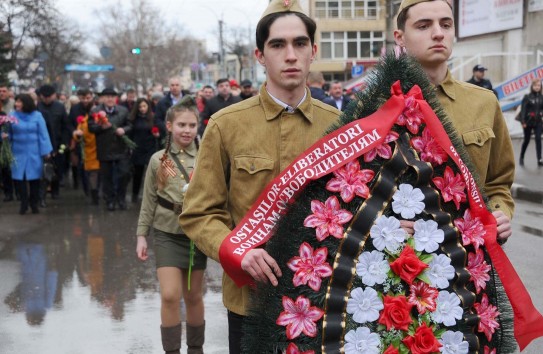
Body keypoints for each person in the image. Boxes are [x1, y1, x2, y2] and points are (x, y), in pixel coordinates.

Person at [178, 1, 341, 352]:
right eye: (278, 45)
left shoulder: (339, 127)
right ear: (259, 55)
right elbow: (198, 213)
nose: (291, 55)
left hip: (324, 298)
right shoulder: (227, 125)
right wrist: (239, 251)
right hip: (249, 299)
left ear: (313, 52)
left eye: (300, 44)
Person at [394, 0, 514, 243]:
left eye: (446, 25)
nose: (438, 33)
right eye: (424, 25)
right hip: (397, 262)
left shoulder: (484, 102)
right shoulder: (378, 106)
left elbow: (499, 181)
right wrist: (383, 224)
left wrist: (500, 212)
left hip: (471, 258)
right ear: (400, 37)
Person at [136, 97, 207, 354]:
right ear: (169, 126)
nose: (187, 130)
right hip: (166, 232)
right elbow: (149, 200)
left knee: (193, 296)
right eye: (181, 125)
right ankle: (172, 351)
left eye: (191, 125)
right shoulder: (160, 160)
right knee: (169, 294)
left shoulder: (205, 156)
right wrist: (141, 235)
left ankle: (195, 348)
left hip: (196, 234)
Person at [2, 93, 52, 214]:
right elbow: (6, 132)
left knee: (35, 179)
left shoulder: (37, 116)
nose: (17, 104)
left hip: (34, 152)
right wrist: (3, 136)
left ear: (26, 103)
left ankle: (33, 203)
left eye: (20, 102)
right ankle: (23, 203)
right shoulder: (11, 116)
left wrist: (46, 151)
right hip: (17, 151)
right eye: (16, 102)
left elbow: (43, 135)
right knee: (19, 179)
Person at [87, 88, 132, 211]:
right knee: (106, 177)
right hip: (104, 148)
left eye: (112, 96)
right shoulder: (96, 111)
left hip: (121, 148)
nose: (110, 99)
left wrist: (124, 130)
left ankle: (121, 199)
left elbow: (130, 125)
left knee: (124, 174)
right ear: (102, 98)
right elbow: (91, 128)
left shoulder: (123, 110)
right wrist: (102, 127)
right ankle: (110, 200)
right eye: (107, 96)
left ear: (116, 98)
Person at [37, 84, 71, 200]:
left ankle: (55, 190)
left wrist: (64, 144)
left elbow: (66, 127)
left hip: (58, 143)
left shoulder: (60, 107)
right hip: (42, 144)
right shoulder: (37, 107)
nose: (46, 99)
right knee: (43, 170)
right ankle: (42, 192)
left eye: (49, 96)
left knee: (57, 168)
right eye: (44, 97)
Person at [128, 98, 161, 202]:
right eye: (140, 107)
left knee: (151, 174)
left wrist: (157, 135)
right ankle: (135, 194)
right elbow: (131, 133)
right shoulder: (133, 118)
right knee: (137, 173)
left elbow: (159, 131)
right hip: (138, 148)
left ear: (148, 107)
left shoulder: (153, 118)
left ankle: (151, 195)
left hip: (150, 148)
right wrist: (131, 147)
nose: (142, 109)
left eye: (144, 106)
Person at [519, 79, 543, 167]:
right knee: (527, 140)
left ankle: (539, 159)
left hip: (538, 122)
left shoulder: (542, 97)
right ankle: (521, 156)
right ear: (532, 86)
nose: (537, 87)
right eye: (535, 85)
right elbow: (523, 110)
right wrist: (523, 121)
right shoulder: (527, 97)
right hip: (528, 122)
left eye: (539, 86)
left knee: (538, 139)